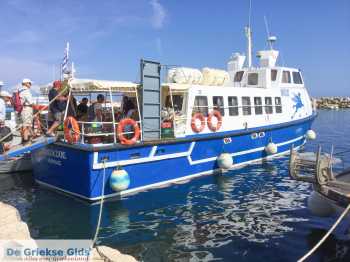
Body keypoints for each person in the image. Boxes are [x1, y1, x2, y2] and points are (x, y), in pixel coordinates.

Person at [19, 78, 34, 145]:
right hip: (27, 109)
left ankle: (27, 137)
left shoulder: (20, 90)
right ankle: (26, 140)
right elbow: (31, 102)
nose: (31, 84)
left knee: (24, 124)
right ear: (26, 83)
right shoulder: (26, 91)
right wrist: (37, 107)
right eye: (30, 83)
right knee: (26, 124)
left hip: (22, 109)